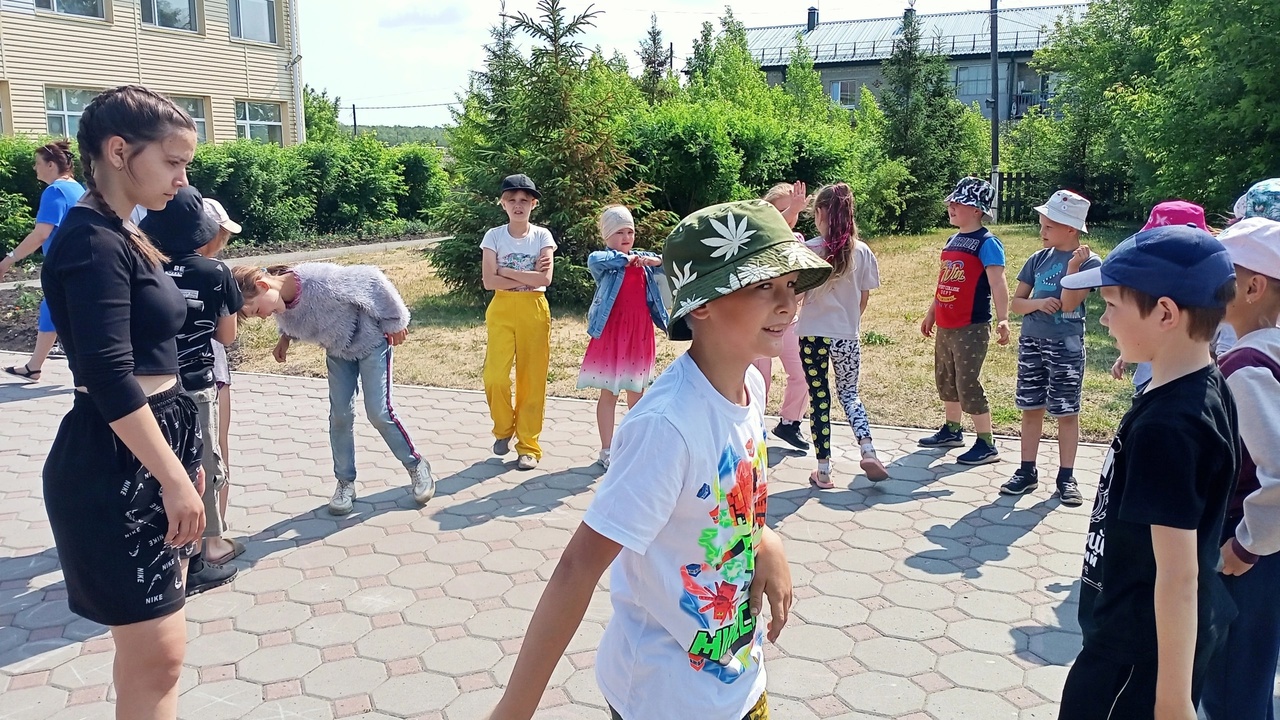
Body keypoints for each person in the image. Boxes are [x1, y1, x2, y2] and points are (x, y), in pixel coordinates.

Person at [487, 200, 831, 720]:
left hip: (738, 680)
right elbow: (577, 568)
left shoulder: (751, 386)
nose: (789, 304)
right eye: (763, 286)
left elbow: (727, 504)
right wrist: (514, 710)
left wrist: (767, 540)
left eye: (792, 285)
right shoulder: (666, 427)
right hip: (665, 697)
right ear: (701, 305)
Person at [40, 85, 207, 720]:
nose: (182, 180)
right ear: (118, 151)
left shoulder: (121, 229)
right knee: (156, 656)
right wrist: (173, 478)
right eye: (173, 162)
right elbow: (109, 377)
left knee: (154, 656)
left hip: (153, 446)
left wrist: (182, 462)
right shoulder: (91, 242)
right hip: (117, 462)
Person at [1057, 225, 1240, 719]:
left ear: (1164, 313)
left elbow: (1178, 575)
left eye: (1111, 306)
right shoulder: (1200, 384)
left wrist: (1172, 700)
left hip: (1137, 654)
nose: (1103, 320)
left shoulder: (1169, 428)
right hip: (1136, 636)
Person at [232, 262, 435, 516]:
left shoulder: (322, 282)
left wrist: (396, 321)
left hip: (371, 343)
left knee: (378, 412)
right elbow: (296, 314)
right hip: (338, 351)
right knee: (340, 416)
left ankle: (416, 465)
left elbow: (371, 278)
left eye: (257, 310)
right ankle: (345, 483)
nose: (263, 316)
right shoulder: (279, 302)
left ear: (263, 286)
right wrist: (285, 338)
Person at [139, 187, 243, 593]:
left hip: (150, 383)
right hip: (196, 383)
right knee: (202, 465)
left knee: (155, 468)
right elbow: (226, 336)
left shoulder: (144, 264)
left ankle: (159, 547)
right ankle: (200, 554)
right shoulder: (215, 272)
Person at [1200, 217, 1280, 720]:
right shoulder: (1267, 349)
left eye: (1221, 273)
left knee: (1232, 686)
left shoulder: (1247, 366)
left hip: (1248, 551)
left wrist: (1246, 545)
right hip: (1264, 546)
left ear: (1253, 288)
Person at [1000, 190, 1100, 506]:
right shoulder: (1037, 259)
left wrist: (1072, 269)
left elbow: (1069, 304)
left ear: (1070, 229)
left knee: (1066, 410)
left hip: (1065, 345)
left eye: (1048, 226)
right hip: (1032, 342)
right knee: (1031, 407)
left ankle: (1066, 477)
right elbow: (1017, 304)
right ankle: (1026, 471)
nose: (1041, 232)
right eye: (1042, 225)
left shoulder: (1089, 262)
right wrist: (1038, 303)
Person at [795, 183, 887, 488]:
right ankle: (868, 449)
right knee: (850, 394)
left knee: (819, 397)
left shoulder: (809, 250)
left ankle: (823, 470)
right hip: (846, 336)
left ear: (821, 213)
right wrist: (849, 323)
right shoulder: (862, 252)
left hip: (812, 335)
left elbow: (797, 294)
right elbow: (864, 298)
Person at [918, 177, 1011, 464]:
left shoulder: (987, 243)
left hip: (971, 326)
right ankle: (952, 429)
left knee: (967, 381)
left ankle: (986, 443)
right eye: (951, 202)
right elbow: (943, 282)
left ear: (977, 210)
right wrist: (932, 312)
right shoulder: (953, 240)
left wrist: (1004, 318)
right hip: (946, 323)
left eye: (958, 203)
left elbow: (998, 283)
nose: (951, 206)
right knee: (946, 378)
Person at [577, 205, 668, 469]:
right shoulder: (606, 262)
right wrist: (625, 259)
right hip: (613, 333)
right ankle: (606, 449)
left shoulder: (643, 260)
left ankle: (634, 446)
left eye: (630, 231)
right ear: (607, 236)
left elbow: (668, 263)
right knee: (609, 393)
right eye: (619, 232)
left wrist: (655, 261)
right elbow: (596, 260)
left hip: (639, 334)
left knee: (637, 393)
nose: (626, 237)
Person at [1109, 201, 1236, 388]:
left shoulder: (1209, 294)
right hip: (1149, 381)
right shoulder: (1152, 286)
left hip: (1182, 385)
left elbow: (1224, 351)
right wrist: (1127, 351)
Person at [481, 174, 556, 470]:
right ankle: (503, 429)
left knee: (532, 379)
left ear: (533, 204)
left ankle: (528, 446)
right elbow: (489, 281)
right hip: (501, 308)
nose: (518, 205)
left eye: (524, 200)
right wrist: (527, 276)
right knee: (495, 376)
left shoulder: (542, 237)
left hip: (534, 309)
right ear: (502, 203)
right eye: (511, 199)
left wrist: (505, 271)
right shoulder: (494, 236)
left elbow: (545, 279)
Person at [1, 141, 85, 381]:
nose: (34, 168)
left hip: (64, 266)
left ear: (51, 165)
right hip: (78, 263)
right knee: (53, 309)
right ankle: (34, 366)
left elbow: (41, 234)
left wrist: (8, 260)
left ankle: (86, 376)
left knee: (57, 311)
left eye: (37, 163)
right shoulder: (77, 189)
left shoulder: (55, 191)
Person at [760, 181, 813, 451]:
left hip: (788, 322)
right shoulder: (760, 238)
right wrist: (792, 210)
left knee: (803, 372)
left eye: (794, 210)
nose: (791, 216)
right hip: (758, 322)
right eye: (783, 210)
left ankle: (790, 423)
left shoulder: (798, 241)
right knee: (759, 380)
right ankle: (752, 427)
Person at [203, 199, 241, 541]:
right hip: (210, 371)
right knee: (217, 448)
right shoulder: (216, 273)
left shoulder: (157, 266)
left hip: (165, 372)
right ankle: (216, 534)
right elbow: (227, 335)